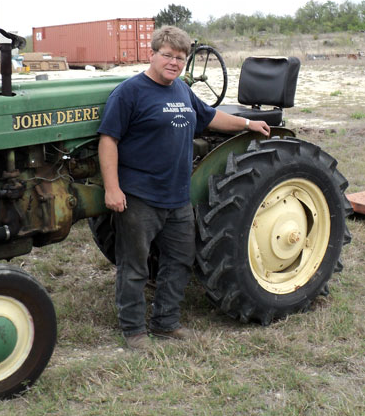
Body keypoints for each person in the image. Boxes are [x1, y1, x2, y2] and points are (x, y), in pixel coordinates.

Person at [97, 25, 270, 351]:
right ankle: (133, 330)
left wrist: (248, 124)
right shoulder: (130, 92)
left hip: (177, 197)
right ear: (152, 54)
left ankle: (166, 323)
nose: (173, 63)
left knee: (179, 261)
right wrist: (112, 188)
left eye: (180, 58)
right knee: (134, 266)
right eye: (167, 55)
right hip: (140, 196)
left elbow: (210, 117)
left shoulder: (181, 90)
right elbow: (109, 140)